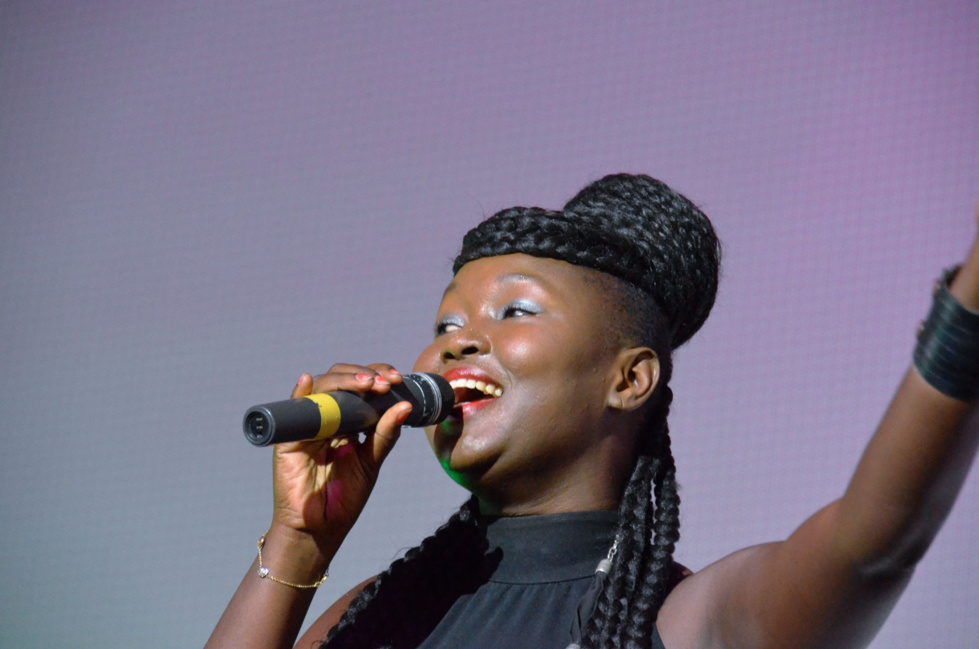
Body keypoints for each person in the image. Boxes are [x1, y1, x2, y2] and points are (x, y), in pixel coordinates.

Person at [206, 174, 979, 649]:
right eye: (443, 326)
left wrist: (968, 313)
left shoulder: (688, 618)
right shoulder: (374, 613)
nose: (456, 343)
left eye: (514, 311)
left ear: (629, 380)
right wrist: (299, 546)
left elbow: (872, 542)